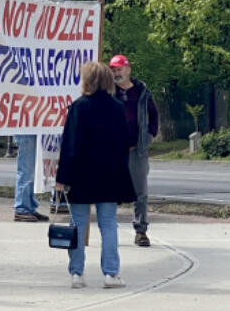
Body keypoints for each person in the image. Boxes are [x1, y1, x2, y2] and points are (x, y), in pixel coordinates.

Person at [56, 60, 136, 289]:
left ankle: (76, 273)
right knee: (108, 224)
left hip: (81, 174)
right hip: (110, 174)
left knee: (78, 223)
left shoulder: (78, 107)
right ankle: (111, 273)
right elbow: (124, 144)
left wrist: (62, 177)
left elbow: (69, 146)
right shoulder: (118, 108)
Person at [109, 54, 159, 247]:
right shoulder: (108, 91)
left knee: (141, 194)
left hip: (136, 150)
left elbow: (153, 115)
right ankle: (109, 230)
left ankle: (141, 231)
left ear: (128, 69)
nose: (116, 73)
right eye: (113, 69)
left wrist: (149, 135)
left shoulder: (142, 92)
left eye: (119, 69)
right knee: (110, 193)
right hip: (113, 151)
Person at [12, 134, 48, 222]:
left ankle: (28, 207)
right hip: (26, 131)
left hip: (30, 130)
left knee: (30, 170)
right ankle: (22, 208)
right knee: (26, 168)